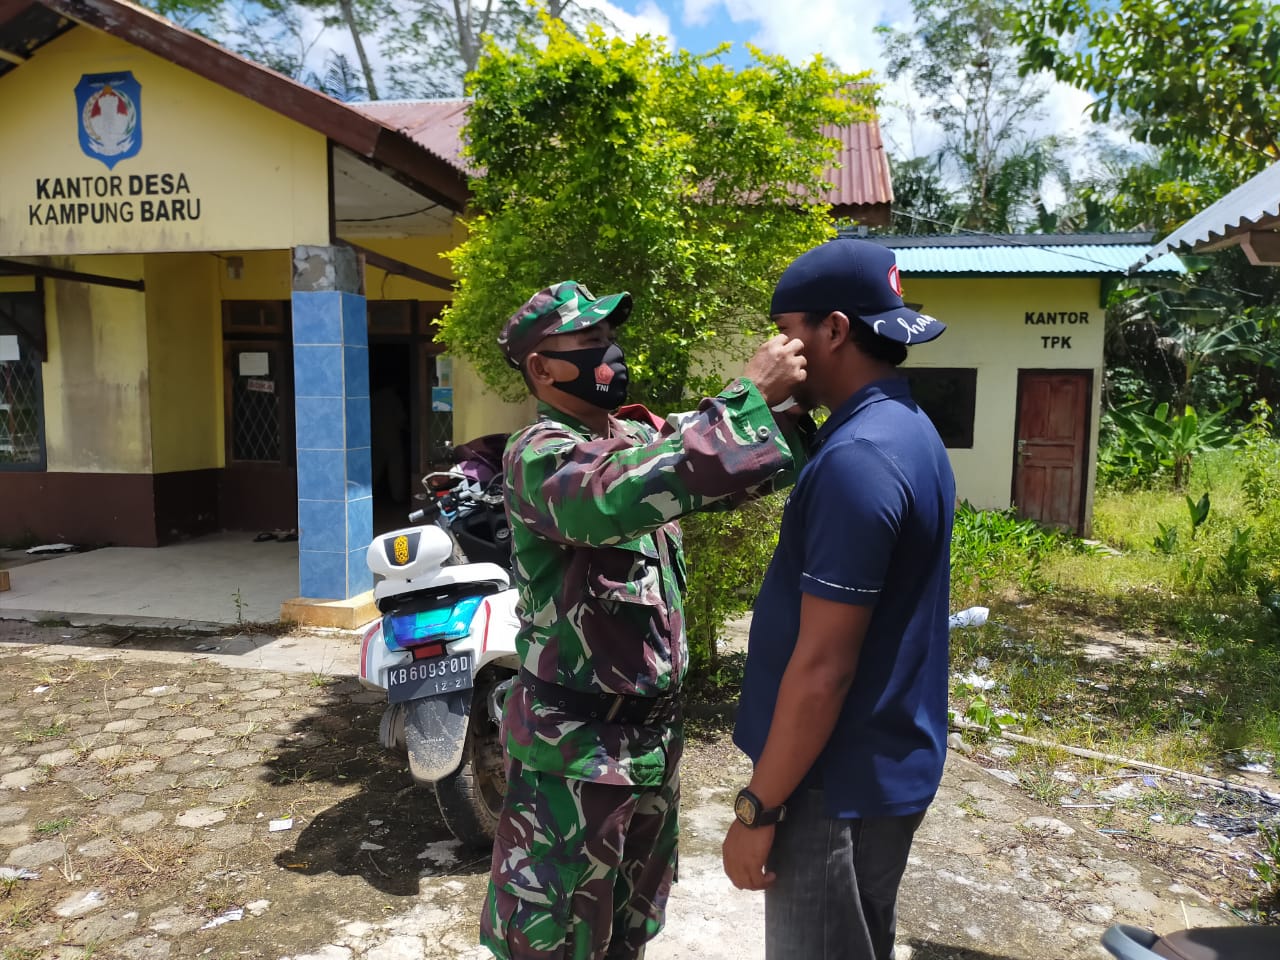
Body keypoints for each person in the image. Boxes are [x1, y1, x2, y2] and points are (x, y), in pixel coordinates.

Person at [481, 280, 812, 960]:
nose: (608, 352)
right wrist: (748, 390)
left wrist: (800, 411)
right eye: (586, 341)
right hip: (573, 762)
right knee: (555, 940)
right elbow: (624, 489)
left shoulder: (633, 434)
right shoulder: (539, 455)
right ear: (542, 369)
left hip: (649, 753)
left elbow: (719, 472)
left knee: (631, 931)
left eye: (606, 337)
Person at [721, 238, 956, 960]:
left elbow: (825, 667)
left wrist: (757, 805)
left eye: (786, 332)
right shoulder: (900, 428)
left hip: (831, 786)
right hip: (875, 766)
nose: (775, 351)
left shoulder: (857, 461)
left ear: (833, 330)